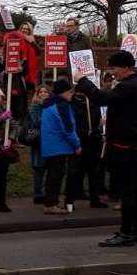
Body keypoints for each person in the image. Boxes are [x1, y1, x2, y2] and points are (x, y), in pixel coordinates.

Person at [77, 51, 137, 247]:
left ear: (124, 67)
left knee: (127, 191)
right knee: (135, 190)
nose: (112, 73)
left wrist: (82, 81)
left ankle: (127, 232)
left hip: (125, 146)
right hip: (132, 144)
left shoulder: (129, 86)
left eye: (114, 68)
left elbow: (99, 98)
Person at [40, 78, 84, 214]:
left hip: (50, 145)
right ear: (63, 92)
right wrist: (76, 145)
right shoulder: (61, 105)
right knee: (56, 176)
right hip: (59, 146)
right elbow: (68, 128)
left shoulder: (49, 104)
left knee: (52, 175)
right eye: (70, 91)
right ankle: (51, 204)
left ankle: (50, 202)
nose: (71, 94)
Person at [72, 79, 108, 207]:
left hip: (93, 139)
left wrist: (99, 128)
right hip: (80, 139)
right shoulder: (74, 103)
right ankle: (71, 198)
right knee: (76, 170)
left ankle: (95, 198)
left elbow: (96, 119)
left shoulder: (94, 103)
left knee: (94, 170)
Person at [26, 83, 52, 204]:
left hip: (50, 140)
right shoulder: (35, 106)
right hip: (39, 140)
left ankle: (47, 192)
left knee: (49, 169)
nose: (43, 94)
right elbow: (36, 121)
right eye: (40, 92)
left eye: (45, 92)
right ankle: (38, 194)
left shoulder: (52, 105)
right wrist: (49, 116)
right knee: (39, 169)